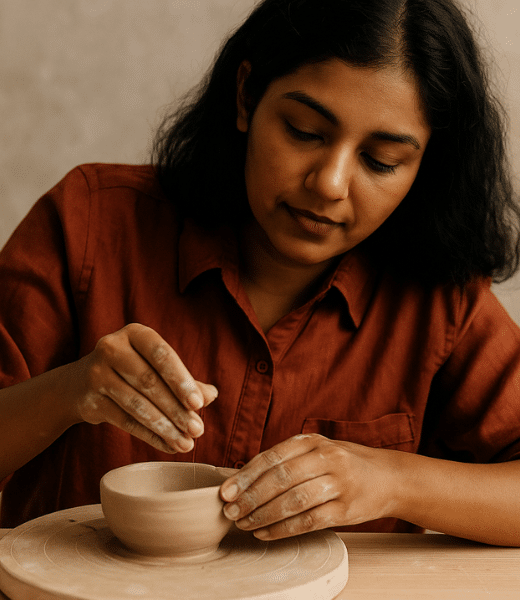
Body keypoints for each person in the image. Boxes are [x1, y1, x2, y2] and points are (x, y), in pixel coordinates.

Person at [1, 0, 520, 546]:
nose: (330, 184)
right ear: (247, 96)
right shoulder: (88, 224)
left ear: (425, 165)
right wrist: (68, 393)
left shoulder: (440, 298)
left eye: (381, 160)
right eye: (305, 132)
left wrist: (393, 480)